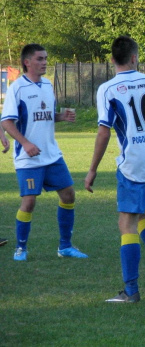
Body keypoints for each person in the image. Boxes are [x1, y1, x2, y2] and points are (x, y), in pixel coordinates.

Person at [85, 36, 145, 303]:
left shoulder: (108, 89)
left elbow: (104, 132)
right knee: (141, 217)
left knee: (125, 223)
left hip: (133, 164)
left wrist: (92, 169)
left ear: (113, 59)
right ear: (134, 57)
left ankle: (131, 291)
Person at [1, 44, 88, 261]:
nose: (44, 62)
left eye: (46, 58)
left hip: (51, 154)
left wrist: (61, 116)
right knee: (29, 202)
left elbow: (45, 115)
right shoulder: (17, 88)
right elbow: (7, 122)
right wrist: (26, 143)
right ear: (27, 62)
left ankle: (65, 247)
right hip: (28, 158)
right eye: (39, 59)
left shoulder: (48, 85)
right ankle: (20, 248)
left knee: (68, 195)